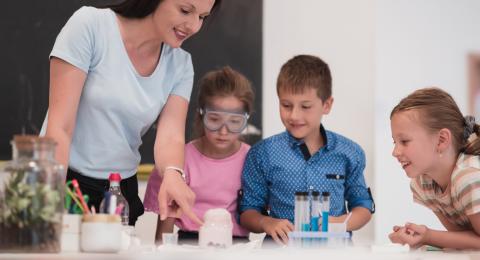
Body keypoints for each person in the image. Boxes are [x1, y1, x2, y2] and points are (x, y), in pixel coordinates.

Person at [41, 0, 221, 226]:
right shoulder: (90, 26)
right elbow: (60, 128)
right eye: (185, 11)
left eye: (202, 17)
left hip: (120, 190)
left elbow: (170, 137)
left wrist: (174, 175)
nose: (193, 26)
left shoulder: (181, 65)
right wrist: (50, 200)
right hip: (66, 180)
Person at [239, 55, 375, 244]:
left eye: (305, 106)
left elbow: (363, 207)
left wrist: (336, 222)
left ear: (326, 105)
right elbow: (247, 212)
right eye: (286, 105)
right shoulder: (262, 153)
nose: (294, 115)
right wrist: (266, 222)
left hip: (334, 254)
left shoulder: (349, 152)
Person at [143, 66, 254, 243]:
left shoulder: (254, 160)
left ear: (246, 119)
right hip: (189, 245)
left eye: (234, 122)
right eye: (215, 119)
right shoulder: (176, 161)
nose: (223, 131)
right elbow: (164, 230)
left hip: (237, 247)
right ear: (201, 115)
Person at [389, 87, 480, 249]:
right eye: (394, 142)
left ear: (441, 140)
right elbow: (462, 240)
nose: (395, 152)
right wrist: (422, 237)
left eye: (404, 141)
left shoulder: (469, 178)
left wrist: (428, 236)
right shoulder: (422, 185)